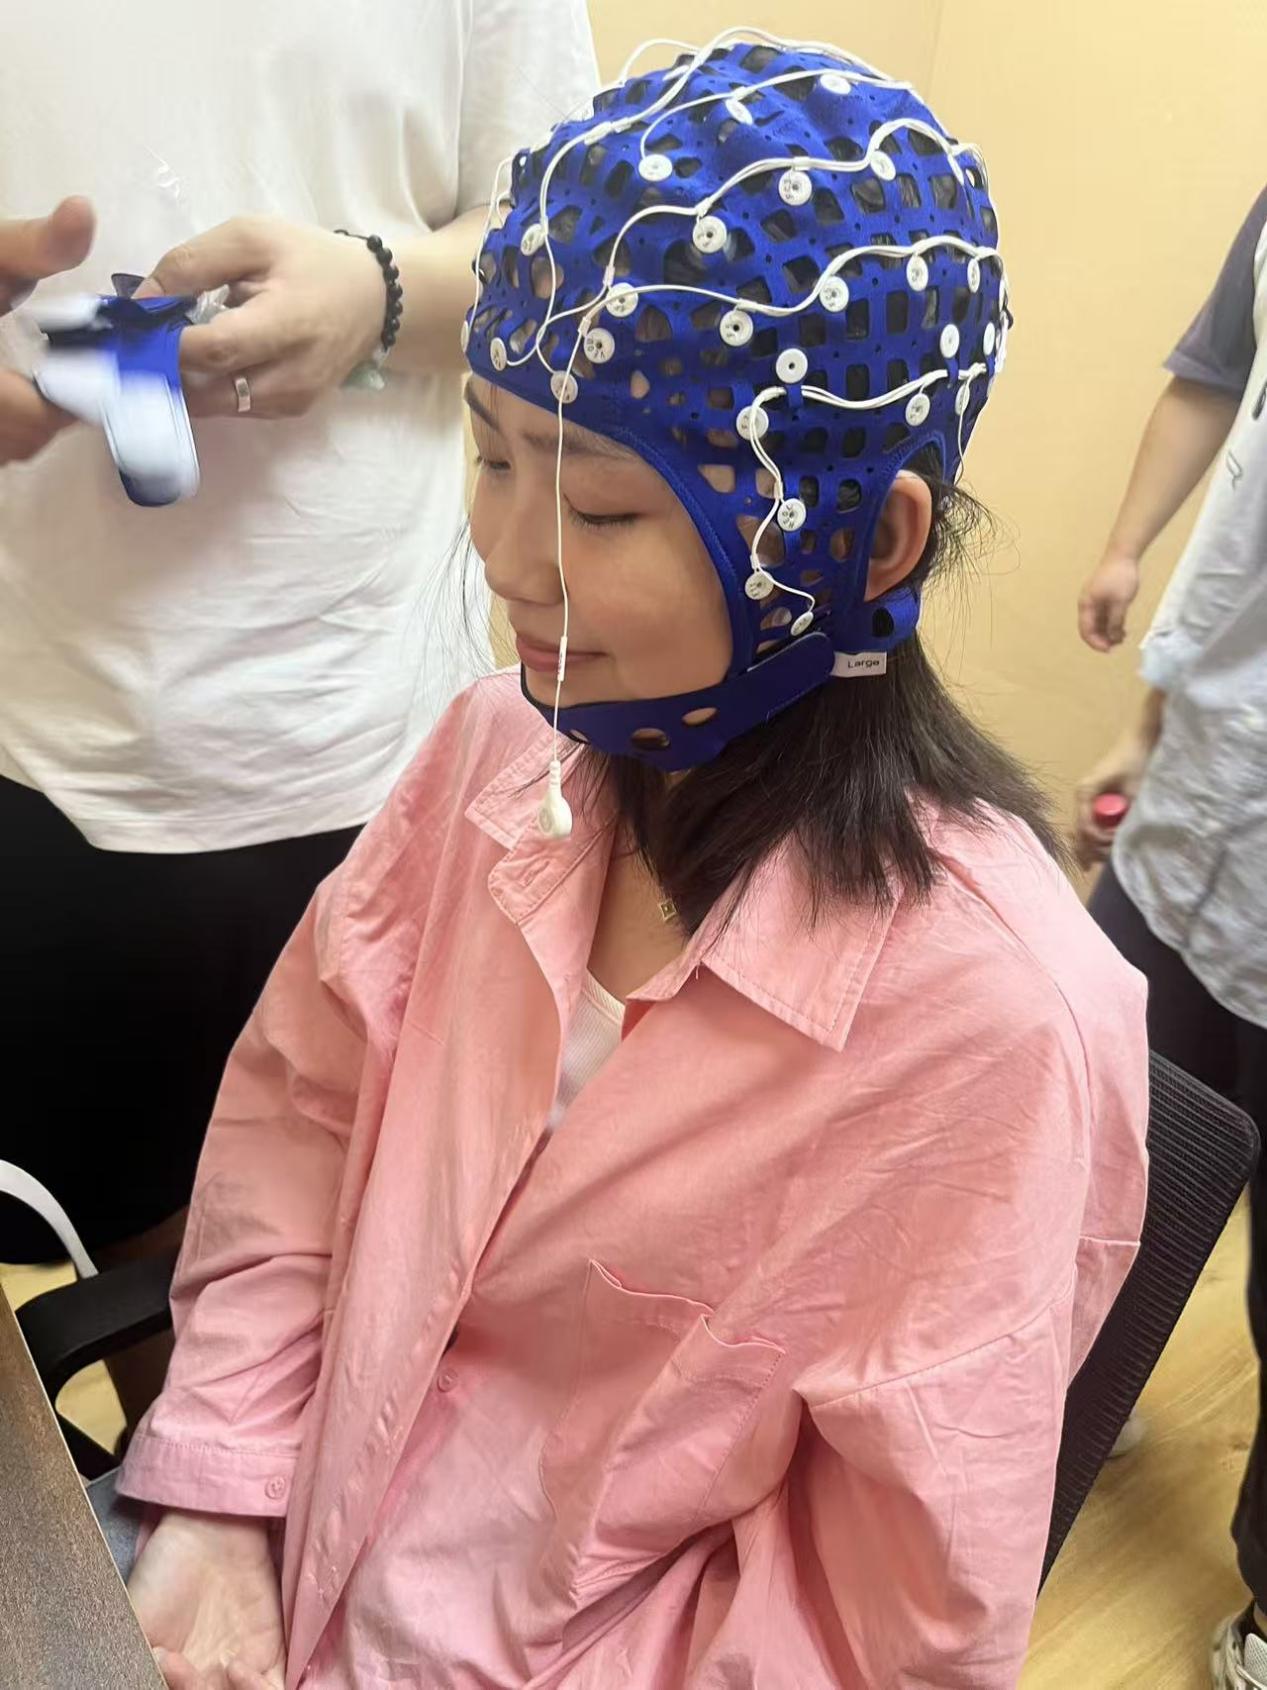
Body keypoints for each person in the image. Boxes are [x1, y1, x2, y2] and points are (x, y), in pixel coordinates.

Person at [110, 34, 1149, 1690]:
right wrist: (226, 1505)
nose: (507, 555)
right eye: (488, 453)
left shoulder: (996, 1033)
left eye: (600, 509)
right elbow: (303, 1124)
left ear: (864, 542)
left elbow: (871, 1630)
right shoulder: (491, 755)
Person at [0, 0, 598, 1428]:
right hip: (33, 726)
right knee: (141, 1293)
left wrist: (380, 290)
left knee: (334, 1310)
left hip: (353, 748)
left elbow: (563, 239)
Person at [1075, 184, 1267, 1690]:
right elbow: (1238, 490)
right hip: (1205, 783)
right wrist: (1146, 726)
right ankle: (1075, 1388)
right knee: (1100, 1126)